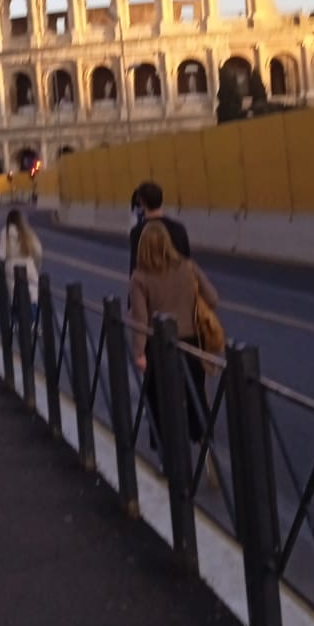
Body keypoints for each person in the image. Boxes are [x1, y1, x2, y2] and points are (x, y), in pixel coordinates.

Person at [129, 221, 218, 454]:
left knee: (158, 398)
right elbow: (213, 298)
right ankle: (203, 442)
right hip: (191, 343)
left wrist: (139, 353)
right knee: (195, 392)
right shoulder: (189, 267)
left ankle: (165, 452)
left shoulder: (140, 278)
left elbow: (140, 319)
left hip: (158, 347)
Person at [128, 181, 192, 275]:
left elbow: (136, 267)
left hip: (151, 282)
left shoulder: (137, 232)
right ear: (161, 200)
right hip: (177, 281)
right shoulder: (178, 228)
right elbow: (187, 261)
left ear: (141, 202)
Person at [0, 208, 42, 318]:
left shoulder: (5, 232)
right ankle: (32, 321)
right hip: (29, 267)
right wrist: (36, 266)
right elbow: (38, 251)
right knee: (33, 295)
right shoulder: (28, 231)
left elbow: (1, 253)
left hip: (12, 268)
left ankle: (18, 321)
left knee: (15, 296)